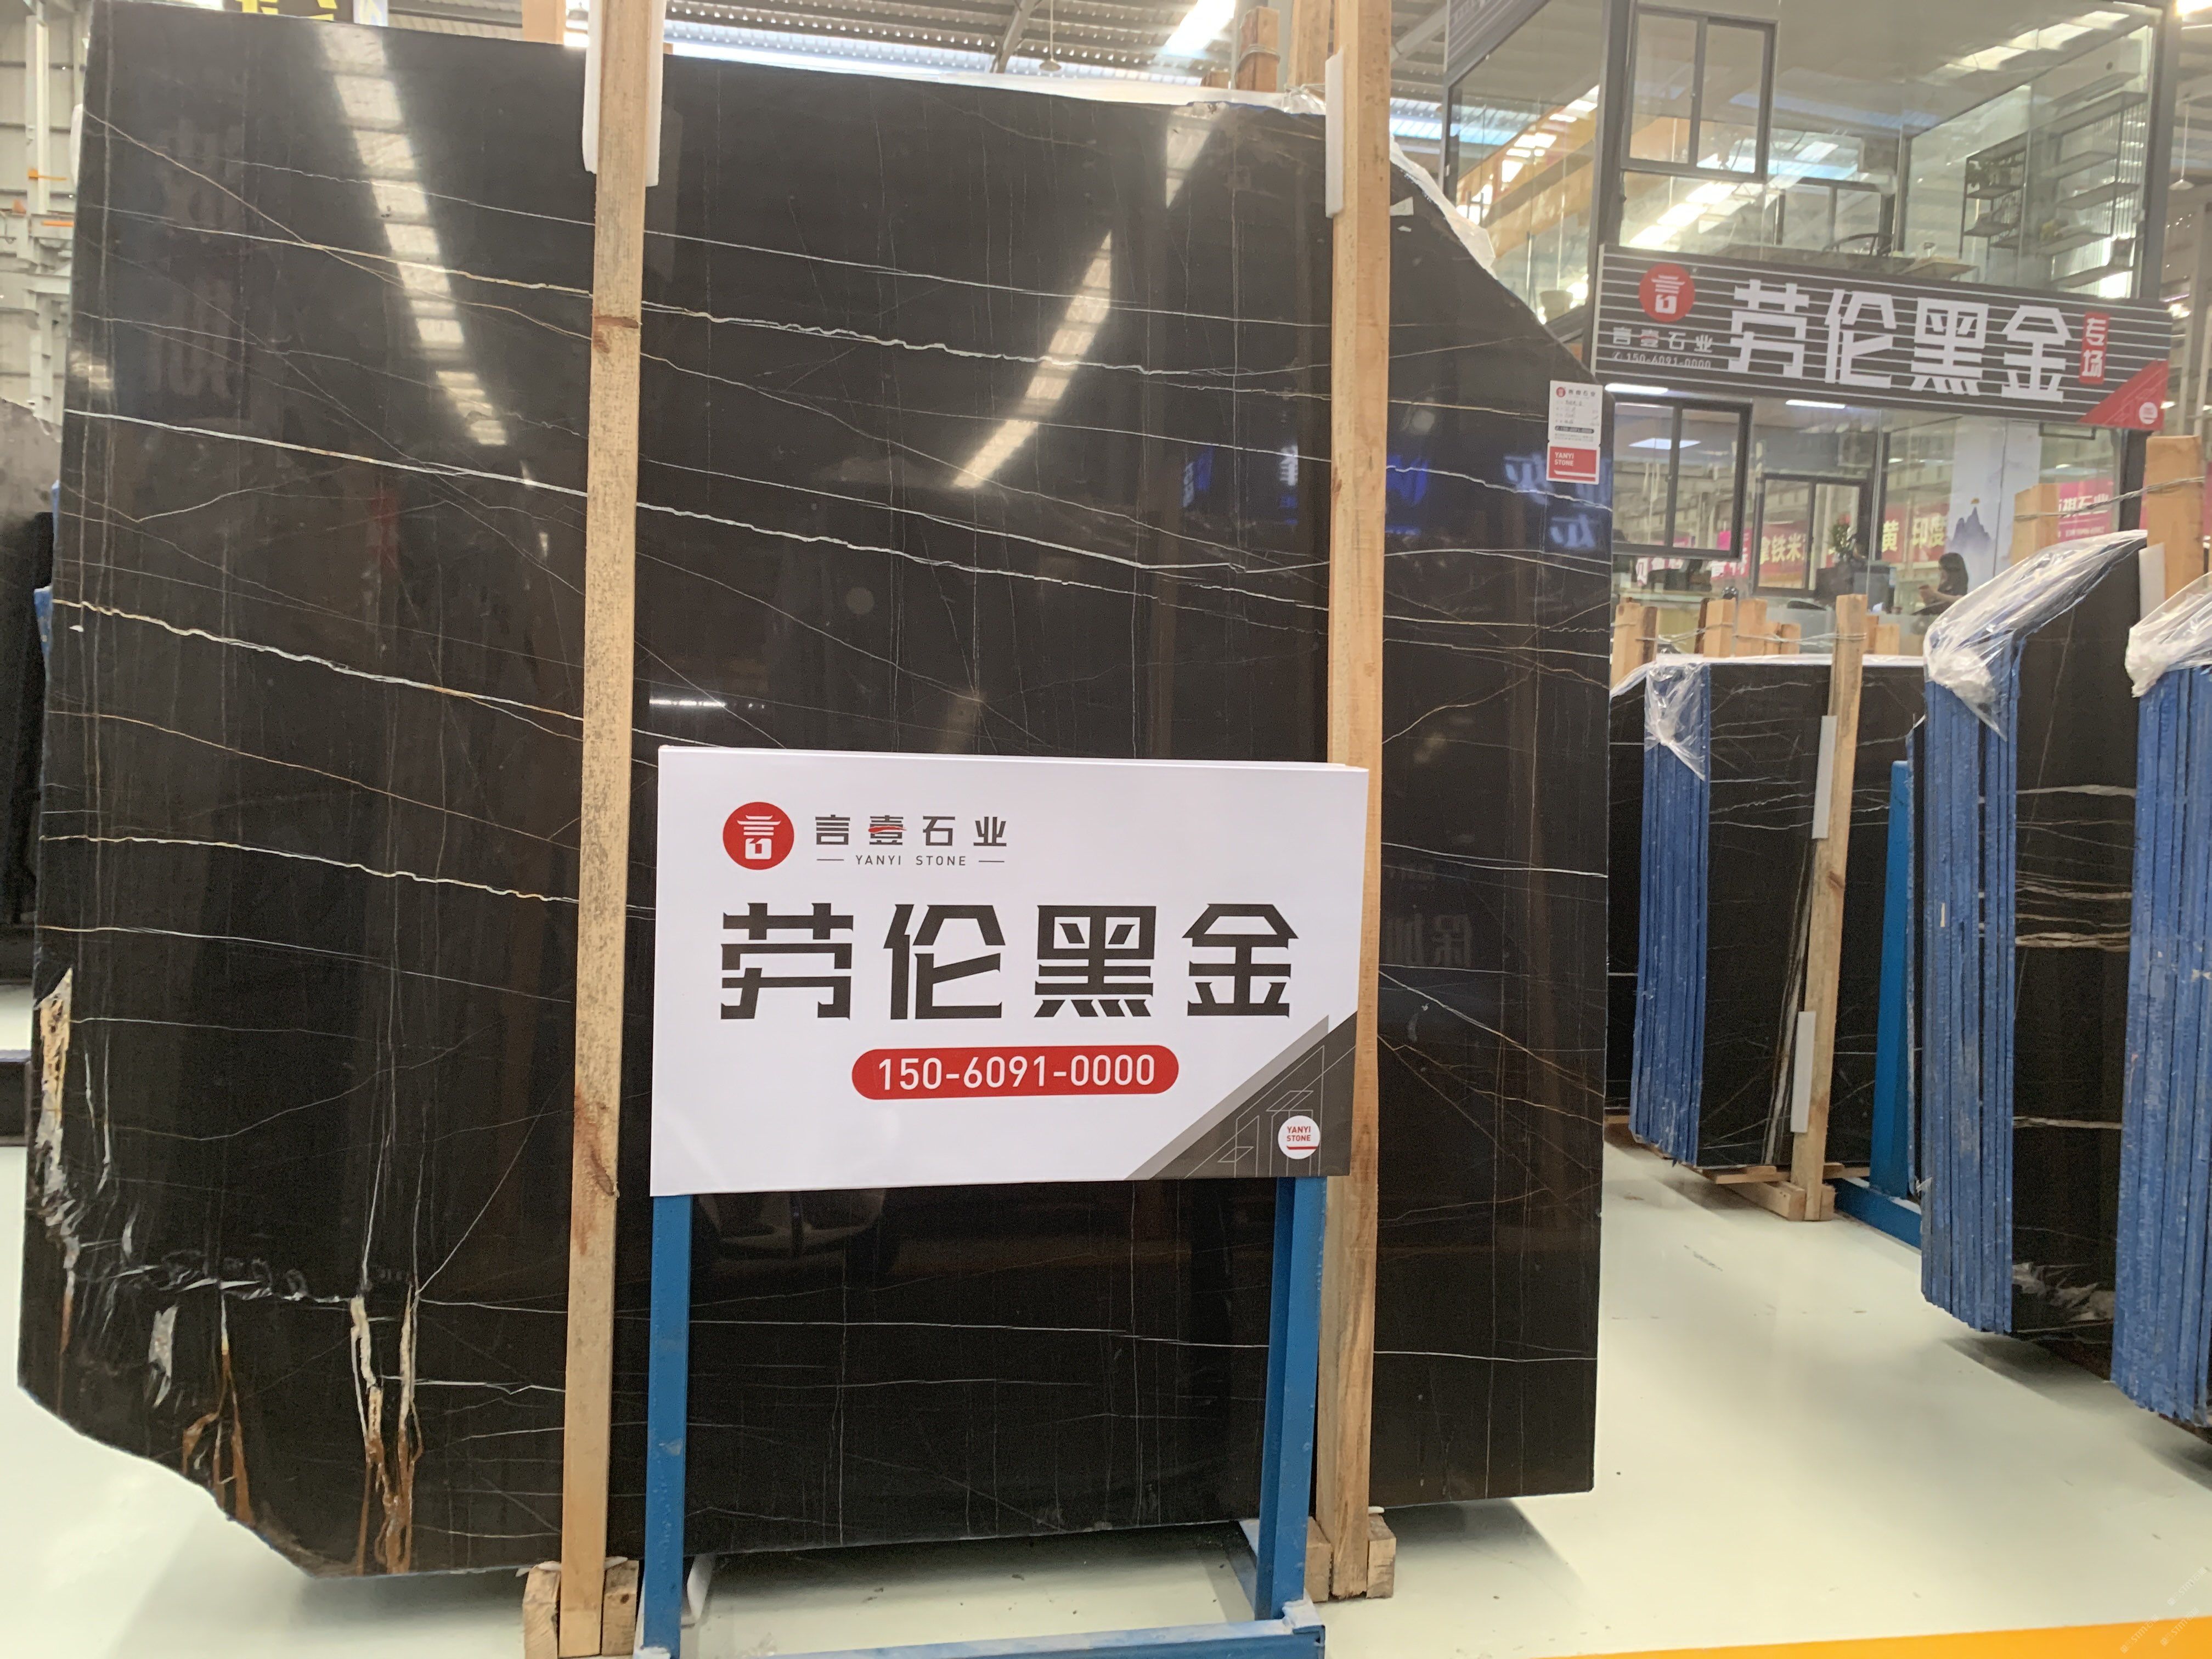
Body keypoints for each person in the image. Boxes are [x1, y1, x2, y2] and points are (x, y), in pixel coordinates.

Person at [1915, 551, 1970, 617]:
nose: (1941, 572)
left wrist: (1935, 594)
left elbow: (1960, 600)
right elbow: (1935, 608)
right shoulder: (1943, 585)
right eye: (1940, 569)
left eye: (1943, 569)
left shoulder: (1961, 585)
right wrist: (1927, 598)